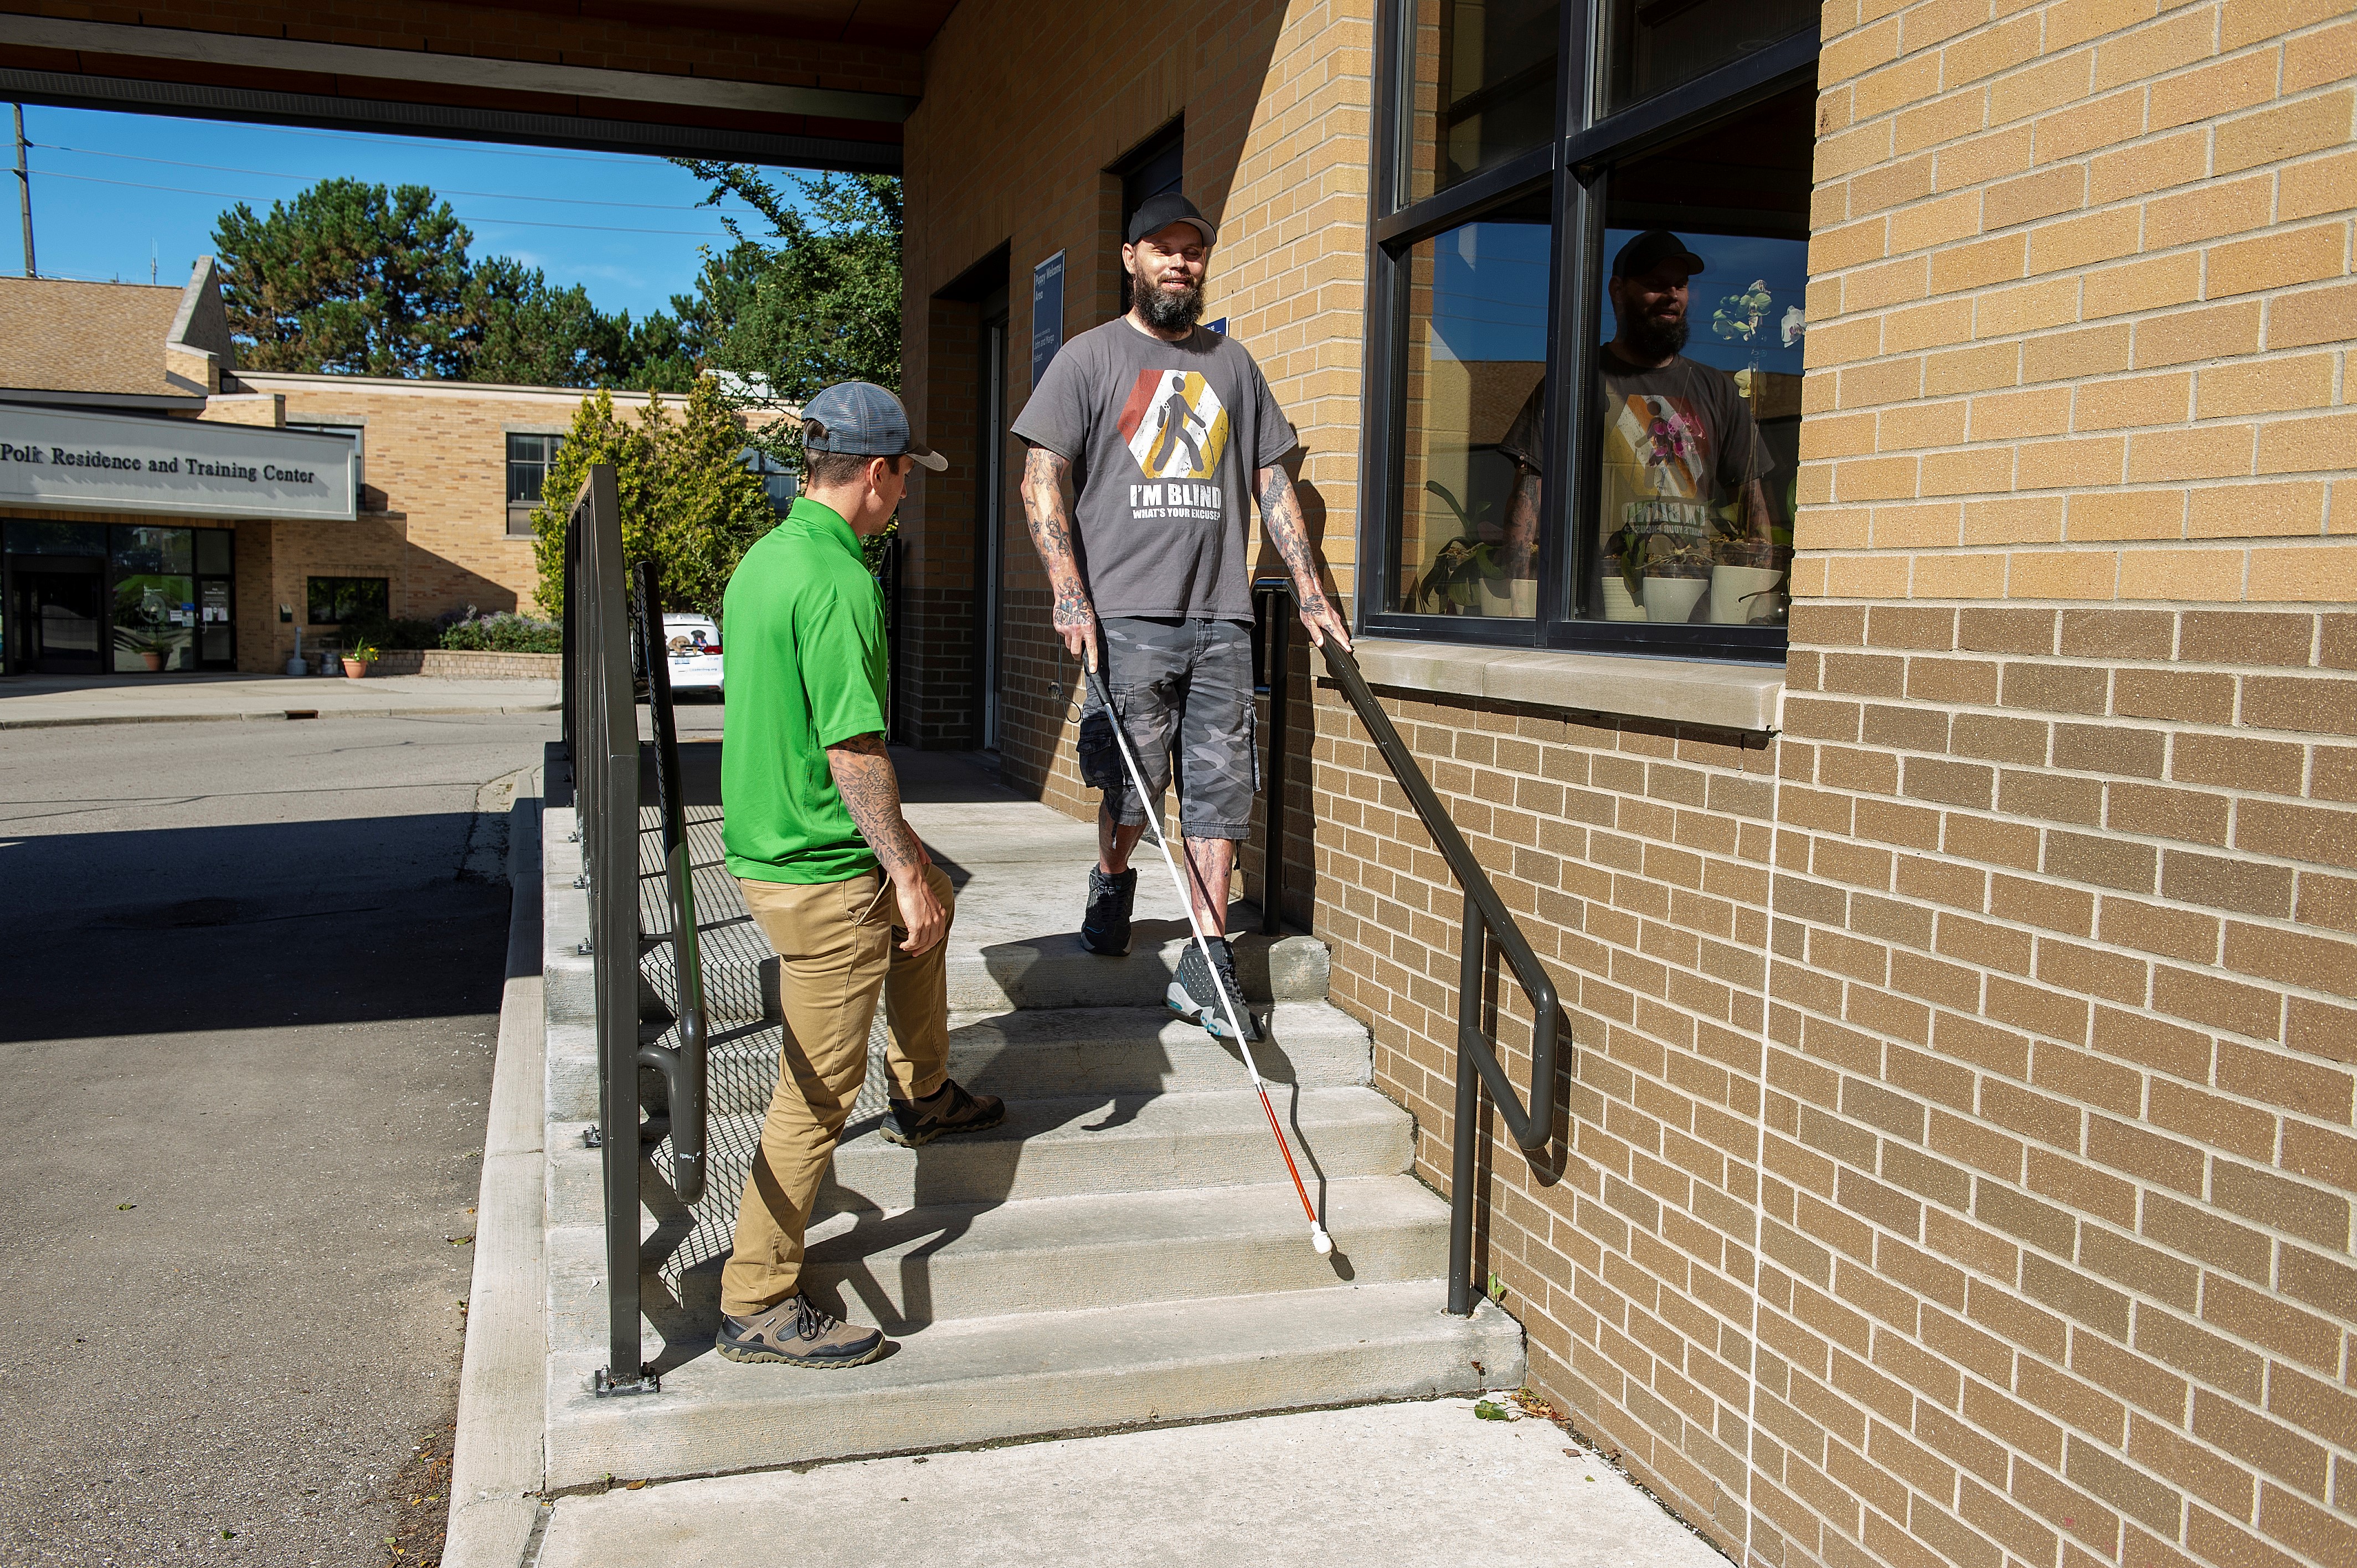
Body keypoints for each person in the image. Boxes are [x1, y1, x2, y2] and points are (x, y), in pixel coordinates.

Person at [712, 381, 1003, 1370]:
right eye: (904, 481)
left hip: (772, 841)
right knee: (817, 1091)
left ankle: (923, 1092)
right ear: (876, 473)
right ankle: (756, 1297)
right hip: (820, 867)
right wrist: (897, 867)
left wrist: (917, 867)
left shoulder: (765, 560)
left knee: (940, 893)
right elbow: (853, 749)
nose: (906, 499)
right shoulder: (839, 579)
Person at [1013, 190, 1350, 1043]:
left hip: (1222, 618)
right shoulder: (1089, 360)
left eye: (1192, 252)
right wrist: (1068, 591)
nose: (1179, 263)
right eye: (1162, 249)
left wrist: (1309, 589)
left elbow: (1272, 484)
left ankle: (1205, 962)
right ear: (1129, 258)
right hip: (1125, 616)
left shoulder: (1232, 367)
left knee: (1220, 790)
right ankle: (1111, 876)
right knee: (1131, 790)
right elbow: (1040, 477)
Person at [1496, 229, 1776, 620]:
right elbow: (1529, 494)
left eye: (1680, 285)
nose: (1672, 295)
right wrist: (1519, 601)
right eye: (1655, 285)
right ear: (1617, 289)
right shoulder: (1574, 383)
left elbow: (1753, 507)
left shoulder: (1718, 391)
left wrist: (1757, 599)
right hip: (1594, 612)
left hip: (1699, 617)